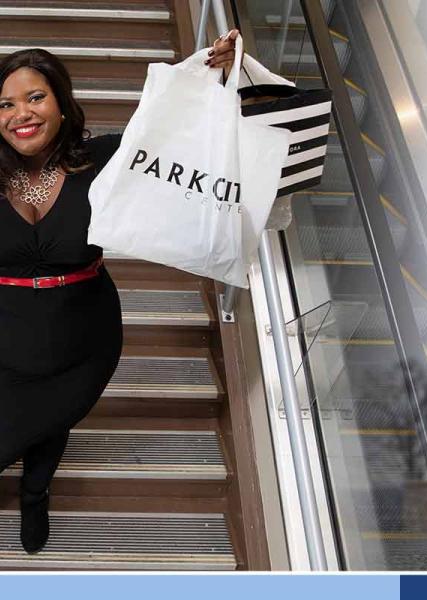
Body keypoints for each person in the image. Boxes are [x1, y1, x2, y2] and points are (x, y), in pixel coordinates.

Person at [0, 30, 240, 555]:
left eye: (36, 97)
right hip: (5, 336)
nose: (22, 113)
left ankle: (36, 491)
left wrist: (215, 76)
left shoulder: (106, 158)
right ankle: (34, 485)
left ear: (62, 103)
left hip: (81, 336)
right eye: (6, 104)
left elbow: (177, 135)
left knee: (55, 415)